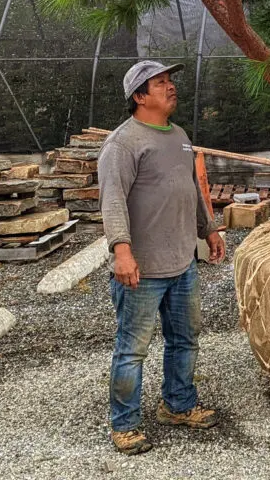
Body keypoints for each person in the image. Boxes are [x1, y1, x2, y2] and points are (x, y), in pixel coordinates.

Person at [98, 59, 226, 456]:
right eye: (160, 83)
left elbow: (190, 187)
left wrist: (208, 229)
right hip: (143, 268)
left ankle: (178, 404)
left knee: (185, 340)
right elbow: (112, 199)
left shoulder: (179, 136)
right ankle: (124, 424)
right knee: (132, 349)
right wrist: (122, 251)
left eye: (170, 81)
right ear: (139, 96)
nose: (170, 87)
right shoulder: (123, 143)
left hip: (182, 262)